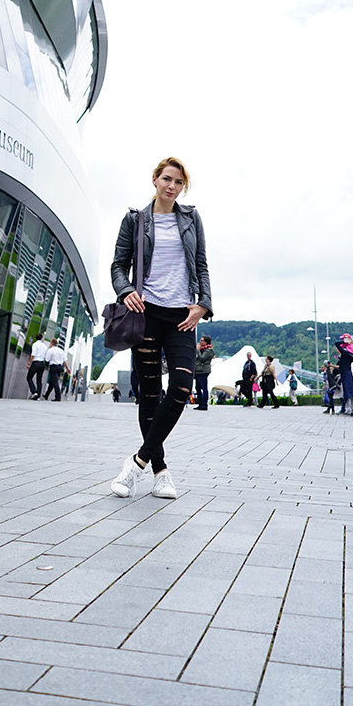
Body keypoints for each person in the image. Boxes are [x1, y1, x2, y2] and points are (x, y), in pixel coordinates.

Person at [108, 157, 212, 500]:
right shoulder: (135, 220)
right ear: (154, 179)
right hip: (146, 313)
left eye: (179, 182)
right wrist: (126, 291)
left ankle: (136, 463)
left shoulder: (191, 217)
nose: (172, 186)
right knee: (150, 393)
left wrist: (204, 304)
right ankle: (161, 471)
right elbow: (118, 265)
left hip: (182, 315)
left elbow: (201, 264)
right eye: (167, 179)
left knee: (182, 385)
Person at [336, 335, 353, 416]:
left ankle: (349, 409)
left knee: (347, 392)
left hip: (345, 373)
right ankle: (352, 409)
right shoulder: (350, 355)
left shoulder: (346, 353)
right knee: (351, 392)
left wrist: (344, 342)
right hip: (348, 372)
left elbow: (336, 343)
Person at [194, 334, 214, 411]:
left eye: (202, 340)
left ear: (206, 342)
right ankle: (200, 403)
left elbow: (202, 358)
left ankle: (204, 404)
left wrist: (198, 350)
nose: (200, 341)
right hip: (198, 370)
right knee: (198, 387)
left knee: (203, 387)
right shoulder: (203, 350)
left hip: (203, 371)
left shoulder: (208, 350)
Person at [27, 334, 50, 400]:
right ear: (42, 338)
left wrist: (29, 363)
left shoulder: (35, 344)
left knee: (29, 377)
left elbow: (33, 354)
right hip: (42, 364)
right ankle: (38, 394)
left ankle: (34, 392)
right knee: (39, 380)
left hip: (35, 363)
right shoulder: (45, 346)